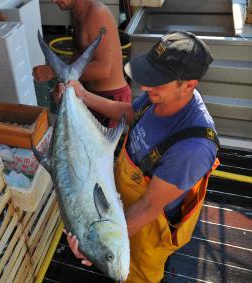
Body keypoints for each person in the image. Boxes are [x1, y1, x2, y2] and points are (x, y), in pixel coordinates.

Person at [59, 31, 220, 282]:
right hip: (120, 199)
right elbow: (130, 111)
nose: (145, 86)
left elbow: (148, 207)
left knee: (139, 274)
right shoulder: (161, 95)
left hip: (149, 227)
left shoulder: (192, 148)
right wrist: (82, 95)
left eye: (157, 80)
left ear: (189, 85)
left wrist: (102, 246)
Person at [32, 0, 131, 127]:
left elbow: (104, 69)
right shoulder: (77, 14)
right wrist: (63, 84)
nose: (53, 0)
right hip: (87, 94)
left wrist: (54, 71)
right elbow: (79, 55)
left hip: (110, 99)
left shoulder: (97, 14)